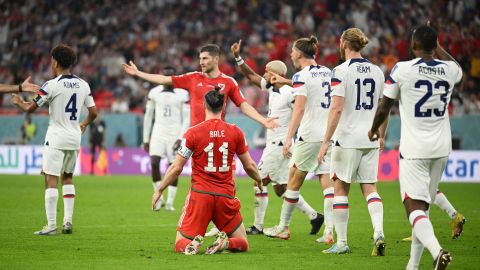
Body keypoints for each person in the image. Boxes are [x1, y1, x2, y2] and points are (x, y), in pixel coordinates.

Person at [369, 24, 462, 269]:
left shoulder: (402, 69)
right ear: (435, 46)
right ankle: (412, 265)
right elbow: (458, 69)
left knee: (413, 206)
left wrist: (373, 129)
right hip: (442, 149)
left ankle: (437, 252)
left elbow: (385, 105)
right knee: (425, 209)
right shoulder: (450, 69)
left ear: (413, 45)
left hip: (414, 150)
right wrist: (439, 47)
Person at [151, 89, 263, 255]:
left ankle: (193, 245)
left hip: (200, 196)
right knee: (242, 243)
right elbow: (250, 166)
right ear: (223, 106)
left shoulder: (193, 133)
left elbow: (176, 167)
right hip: (225, 197)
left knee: (180, 243)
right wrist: (259, 180)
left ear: (204, 105)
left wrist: (160, 189)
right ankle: (226, 243)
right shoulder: (236, 132)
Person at [231, 40, 324, 236]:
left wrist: (290, 138)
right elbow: (251, 75)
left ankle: (257, 225)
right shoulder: (274, 89)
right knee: (281, 188)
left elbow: (303, 110)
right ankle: (314, 216)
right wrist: (238, 58)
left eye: (266, 72)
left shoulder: (290, 92)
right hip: (276, 145)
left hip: (280, 145)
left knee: (259, 180)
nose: (263, 75)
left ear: (274, 74)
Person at [11, 44, 98, 235]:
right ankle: (67, 222)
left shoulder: (51, 85)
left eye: (51, 59)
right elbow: (94, 112)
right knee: (67, 177)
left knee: (51, 179)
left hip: (56, 137)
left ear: (56, 62)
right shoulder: (83, 84)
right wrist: (83, 124)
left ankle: (51, 225)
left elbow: (29, 109)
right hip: (74, 138)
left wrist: (18, 103)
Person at [316, 28, 387, 255]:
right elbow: (384, 107)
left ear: (344, 43)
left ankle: (342, 242)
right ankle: (378, 232)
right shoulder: (377, 71)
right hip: (371, 138)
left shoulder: (340, 71)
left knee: (340, 189)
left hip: (347, 138)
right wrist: (381, 134)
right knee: (370, 187)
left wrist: (326, 141)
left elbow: (336, 109)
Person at [263, 36, 331, 240]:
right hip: (328, 134)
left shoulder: (302, 75)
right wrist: (286, 80)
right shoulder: (327, 71)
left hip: (309, 134)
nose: (291, 54)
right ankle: (329, 232)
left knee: (293, 179)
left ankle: (283, 227)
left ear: (300, 54)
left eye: (292, 51)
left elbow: (299, 108)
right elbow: (311, 85)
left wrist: (289, 137)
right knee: (326, 182)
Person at [123, 43, 278, 129]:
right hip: (195, 136)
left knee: (219, 180)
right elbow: (164, 79)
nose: (201, 62)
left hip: (217, 134)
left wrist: (263, 121)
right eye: (200, 58)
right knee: (190, 175)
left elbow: (244, 106)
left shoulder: (229, 82)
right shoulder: (192, 77)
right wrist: (138, 73)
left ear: (216, 59)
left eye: (205, 58)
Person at [144, 66, 190, 211]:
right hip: (158, 132)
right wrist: (146, 138)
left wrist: (181, 137)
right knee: (154, 162)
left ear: (174, 77)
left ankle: (170, 202)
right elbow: (148, 116)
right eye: (165, 75)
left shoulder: (183, 94)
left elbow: (187, 117)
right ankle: (159, 198)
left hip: (175, 133)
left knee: (173, 166)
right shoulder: (154, 93)